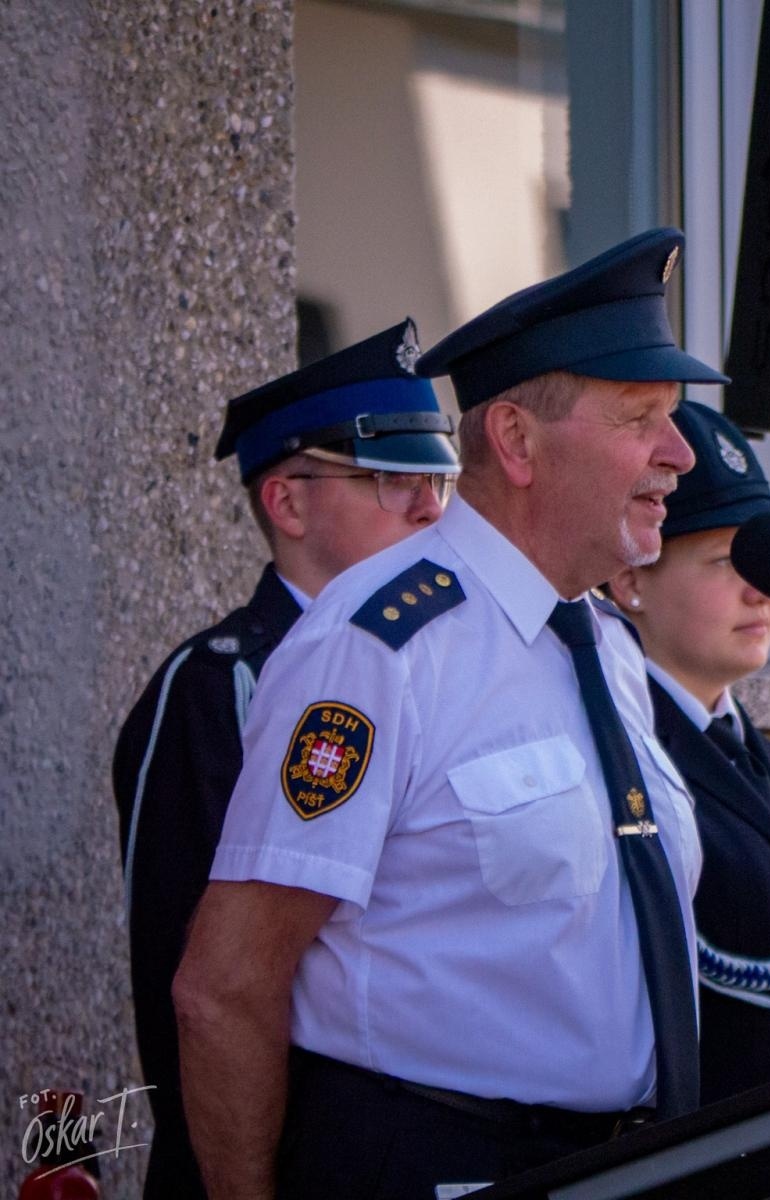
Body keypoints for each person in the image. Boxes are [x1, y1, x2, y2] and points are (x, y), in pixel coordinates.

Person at [172, 228, 726, 1200]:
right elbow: (226, 988)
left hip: (627, 1166)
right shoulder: (378, 646)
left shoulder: (603, 645)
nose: (680, 454)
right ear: (515, 440)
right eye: (640, 416)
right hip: (439, 1168)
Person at [111, 319, 459, 1200]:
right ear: (290, 503)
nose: (431, 508)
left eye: (440, 478)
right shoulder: (214, 685)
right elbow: (191, 991)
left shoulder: (442, 662)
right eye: (391, 477)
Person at [606, 401, 770, 1104]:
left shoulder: (754, 754)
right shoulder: (624, 751)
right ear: (630, 583)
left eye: (763, 559)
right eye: (726, 561)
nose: (763, 591)